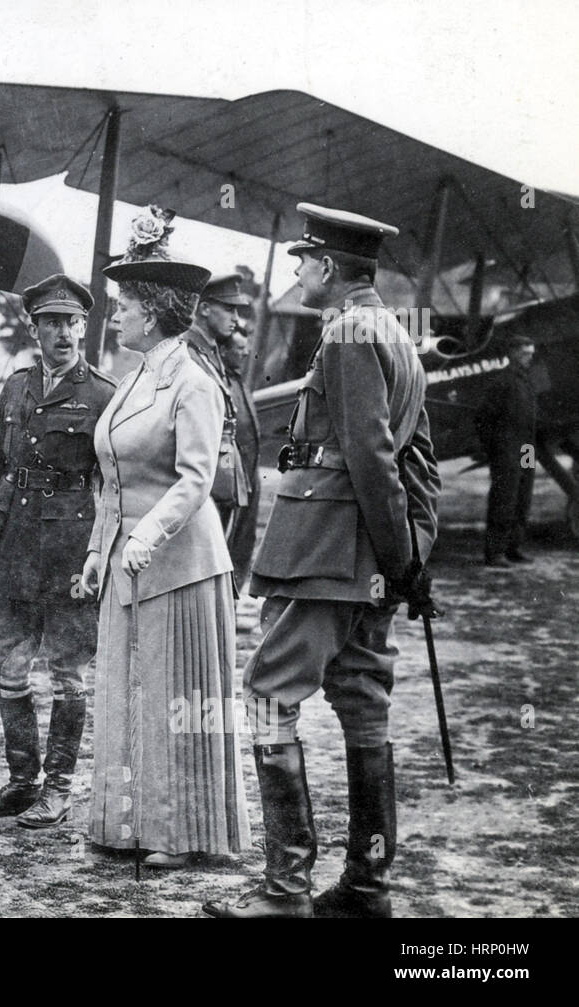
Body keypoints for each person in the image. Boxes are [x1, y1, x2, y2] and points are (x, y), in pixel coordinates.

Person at [203, 203, 441, 919]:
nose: (297, 271)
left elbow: (371, 457)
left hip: (328, 548)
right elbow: (416, 460)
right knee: (363, 705)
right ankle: (367, 887)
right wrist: (408, 560)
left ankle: (285, 890)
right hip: (367, 553)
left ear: (330, 269)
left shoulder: (344, 333)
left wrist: (399, 561)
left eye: (304, 261)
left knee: (270, 694)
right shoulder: (394, 332)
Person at [79, 206, 250, 867]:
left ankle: (178, 832)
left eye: (123, 305)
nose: (115, 316)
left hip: (178, 561)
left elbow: (196, 478)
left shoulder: (193, 381)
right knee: (130, 691)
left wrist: (142, 542)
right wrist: (100, 550)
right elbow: (113, 476)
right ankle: (130, 823)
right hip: (128, 562)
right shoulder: (133, 380)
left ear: (151, 311)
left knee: (173, 698)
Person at [0, 273, 117, 828]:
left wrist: (103, 553)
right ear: (35, 329)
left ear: (84, 328)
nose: (63, 333)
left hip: (70, 551)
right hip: (11, 547)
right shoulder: (15, 387)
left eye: (72, 323)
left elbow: (113, 486)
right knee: (9, 666)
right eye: (52, 323)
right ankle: (21, 781)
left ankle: (57, 789)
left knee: (67, 673)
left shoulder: (104, 395)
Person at [183, 272, 254, 562]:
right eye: (229, 308)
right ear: (204, 308)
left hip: (220, 475)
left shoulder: (211, 351)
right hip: (201, 476)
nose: (235, 317)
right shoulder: (188, 352)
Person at [475, 335, 537, 567]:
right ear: (512, 354)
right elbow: (483, 418)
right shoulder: (501, 381)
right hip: (508, 449)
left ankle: (514, 548)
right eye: (525, 354)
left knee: (523, 496)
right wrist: (497, 449)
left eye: (531, 354)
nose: (529, 358)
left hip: (527, 447)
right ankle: (495, 552)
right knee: (504, 499)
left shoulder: (526, 380)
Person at [220, 329, 262, 592]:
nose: (246, 353)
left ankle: (233, 597)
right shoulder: (222, 383)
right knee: (227, 543)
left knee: (243, 543)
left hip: (249, 478)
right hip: (231, 479)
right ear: (223, 351)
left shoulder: (237, 381)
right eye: (239, 348)